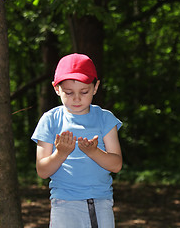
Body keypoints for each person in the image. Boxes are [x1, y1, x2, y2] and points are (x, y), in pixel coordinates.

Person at [31, 53, 123, 228]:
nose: (77, 98)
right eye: (69, 92)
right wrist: (61, 153)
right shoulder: (50, 120)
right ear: (56, 88)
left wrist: (93, 152)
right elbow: (42, 171)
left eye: (84, 91)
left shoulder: (105, 119)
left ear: (95, 87)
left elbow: (116, 165)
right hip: (64, 204)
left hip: (100, 202)